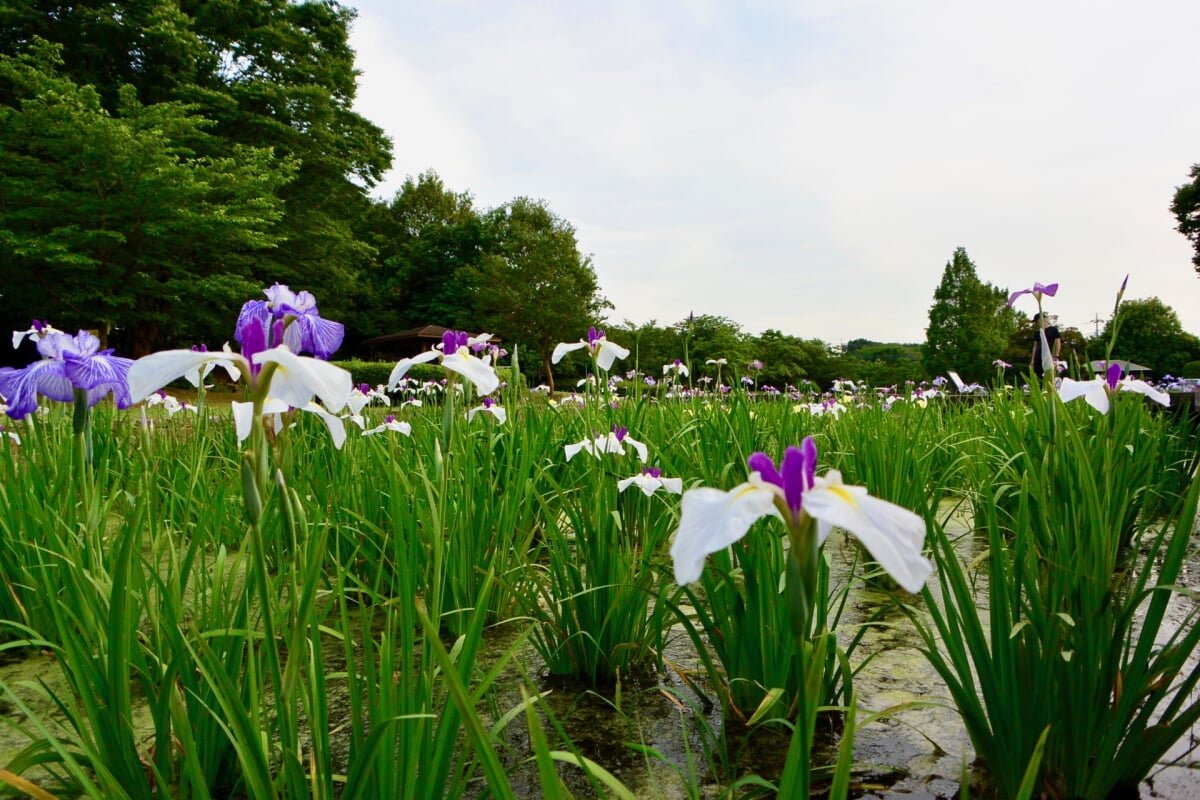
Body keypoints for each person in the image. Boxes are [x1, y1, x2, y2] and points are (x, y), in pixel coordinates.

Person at [1030, 313, 1061, 378]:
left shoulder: (1053, 330)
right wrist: (1032, 360)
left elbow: (1058, 342)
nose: (1036, 323)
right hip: (1039, 357)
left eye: (1037, 321)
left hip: (1050, 356)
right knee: (1039, 375)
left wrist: (1056, 355)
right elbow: (1035, 347)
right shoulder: (1037, 333)